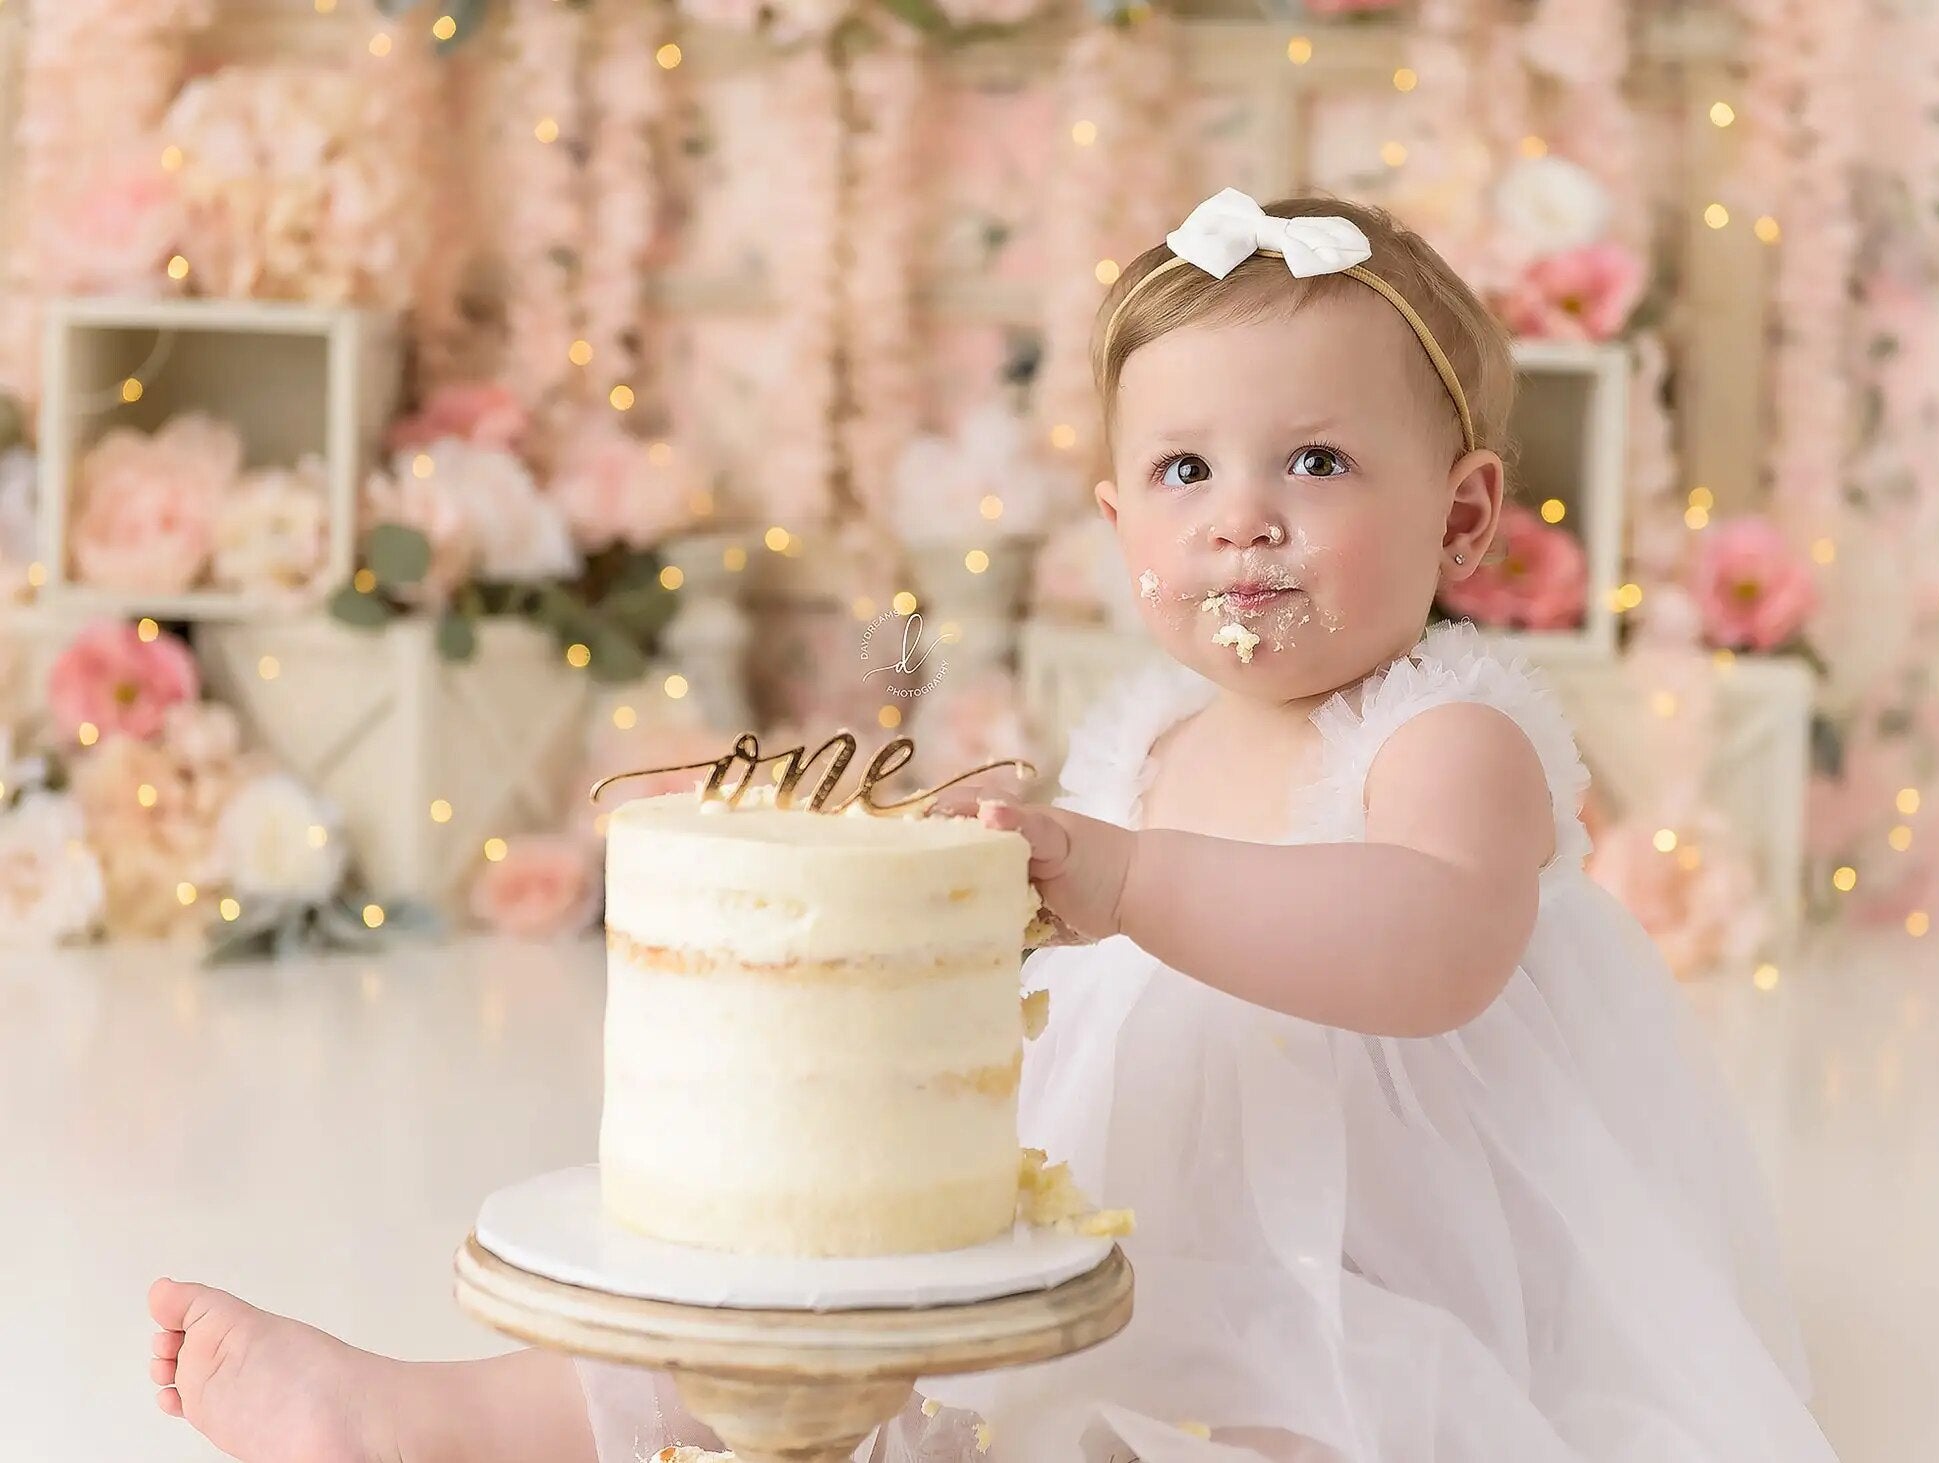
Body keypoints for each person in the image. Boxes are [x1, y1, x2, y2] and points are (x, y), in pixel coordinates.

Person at [147, 187, 1837, 1462]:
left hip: (1363, 1252)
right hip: (1109, 1199)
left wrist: (1126, 877)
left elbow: (1434, 952)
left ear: (1462, 512)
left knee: (1266, 1397)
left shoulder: (1446, 734)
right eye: (1186, 474)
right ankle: (437, 1417)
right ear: (1116, 522)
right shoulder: (1149, 730)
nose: (1244, 518)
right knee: (813, 1308)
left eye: (1315, 462)